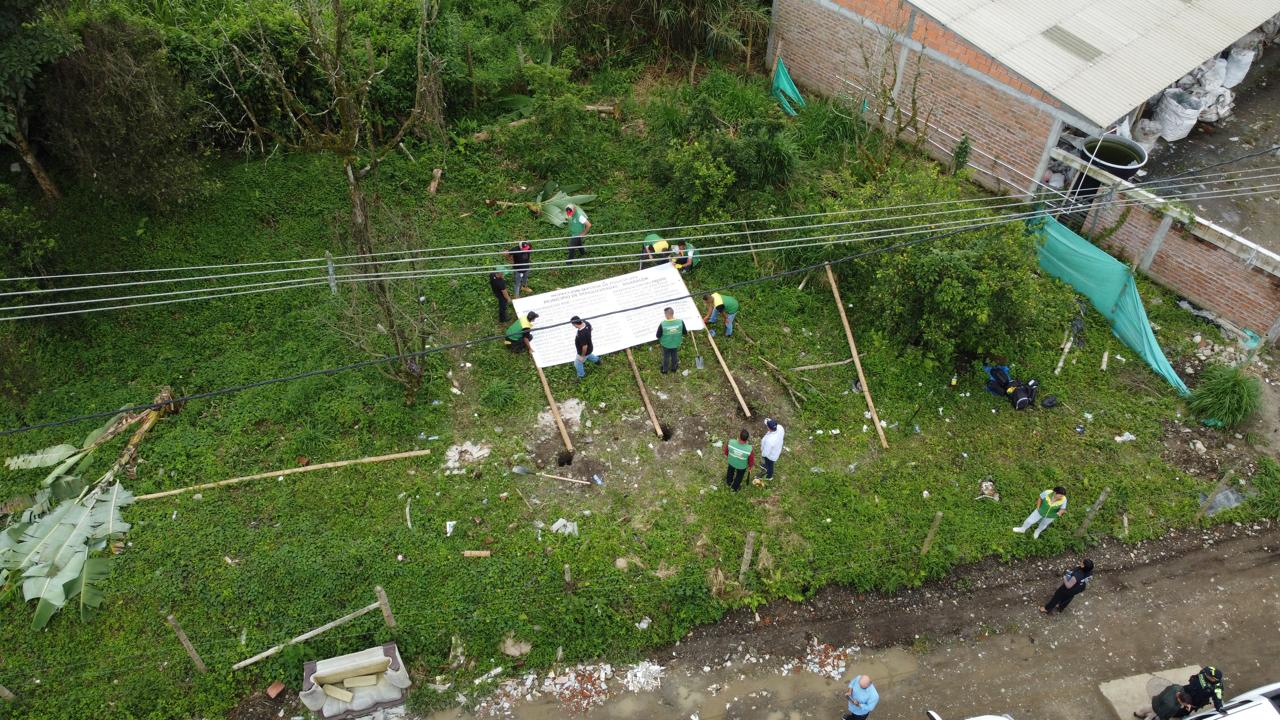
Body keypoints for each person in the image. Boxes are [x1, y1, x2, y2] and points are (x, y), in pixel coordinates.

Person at [655, 307, 687, 374]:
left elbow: (658, 335)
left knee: (666, 356)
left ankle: (665, 370)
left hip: (666, 343)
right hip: (676, 342)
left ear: (666, 315)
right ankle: (674, 368)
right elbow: (685, 332)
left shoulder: (663, 324)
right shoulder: (680, 322)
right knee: (674, 354)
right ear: (672, 313)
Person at [570, 316, 600, 381]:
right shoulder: (585, 322)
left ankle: (581, 375)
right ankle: (597, 360)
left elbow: (584, 346)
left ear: (575, 324)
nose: (573, 326)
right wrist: (589, 337)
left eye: (573, 324)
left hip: (584, 351)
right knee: (589, 355)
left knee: (577, 363)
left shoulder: (582, 334)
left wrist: (582, 356)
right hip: (590, 348)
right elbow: (591, 328)